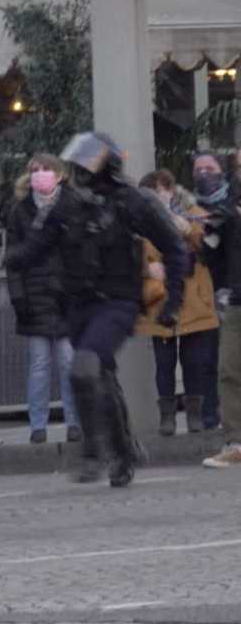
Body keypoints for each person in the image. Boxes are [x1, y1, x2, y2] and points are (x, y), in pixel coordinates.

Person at [5, 132, 188, 486]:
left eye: (89, 161)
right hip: (78, 303)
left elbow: (175, 248)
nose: (80, 168)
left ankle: (94, 450)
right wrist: (14, 256)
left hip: (118, 301)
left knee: (84, 369)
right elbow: (37, 245)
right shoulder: (68, 203)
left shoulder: (133, 200)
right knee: (100, 376)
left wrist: (173, 301)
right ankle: (124, 451)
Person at [5, 154, 82, 444]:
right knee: (38, 364)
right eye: (35, 170)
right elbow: (13, 259)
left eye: (46, 169)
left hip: (65, 296)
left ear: (60, 174)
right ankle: (38, 425)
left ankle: (74, 421)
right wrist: (18, 299)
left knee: (67, 361)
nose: (40, 174)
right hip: (34, 296)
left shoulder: (72, 206)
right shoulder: (20, 211)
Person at [136, 169, 219, 436]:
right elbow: (125, 254)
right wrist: (147, 270)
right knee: (164, 360)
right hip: (160, 298)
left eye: (159, 191)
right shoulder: (138, 219)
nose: (156, 198)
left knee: (194, 360)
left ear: (171, 190)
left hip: (192, 296)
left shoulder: (192, 211)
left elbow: (212, 247)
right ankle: (167, 418)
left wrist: (189, 228)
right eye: (149, 194)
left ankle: (194, 415)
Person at [194, 153, 241, 468]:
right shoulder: (229, 205)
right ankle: (236, 442)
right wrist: (210, 236)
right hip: (238, 299)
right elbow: (215, 257)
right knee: (229, 370)